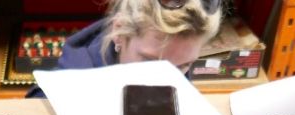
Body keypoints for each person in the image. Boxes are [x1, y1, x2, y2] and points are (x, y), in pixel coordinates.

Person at [27, 0, 222, 97]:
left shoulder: (176, 76)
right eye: (150, 63)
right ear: (119, 33)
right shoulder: (52, 99)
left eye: (182, 66)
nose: (165, 83)